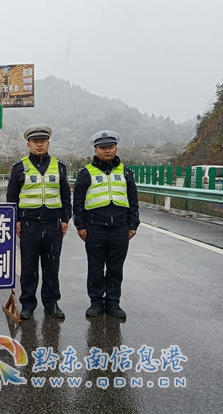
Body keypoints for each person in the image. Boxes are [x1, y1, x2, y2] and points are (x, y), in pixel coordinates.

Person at [6, 124, 71, 320]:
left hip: (53, 224)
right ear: (28, 145)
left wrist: (65, 219)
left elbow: (65, 196)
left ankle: (51, 303)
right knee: (29, 267)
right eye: (35, 142)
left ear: (48, 143)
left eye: (43, 141)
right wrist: (16, 220)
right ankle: (28, 304)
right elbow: (12, 198)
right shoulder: (19, 168)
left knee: (52, 266)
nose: (39, 145)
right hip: (29, 225)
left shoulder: (59, 167)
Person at [72, 130, 140, 319]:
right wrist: (80, 225)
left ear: (116, 148)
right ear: (96, 150)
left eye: (110, 147)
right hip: (95, 228)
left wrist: (133, 224)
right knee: (95, 267)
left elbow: (133, 200)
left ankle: (113, 302)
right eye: (103, 148)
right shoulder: (86, 173)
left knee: (115, 268)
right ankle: (96, 302)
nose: (107, 151)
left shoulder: (126, 172)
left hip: (120, 228)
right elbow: (78, 202)